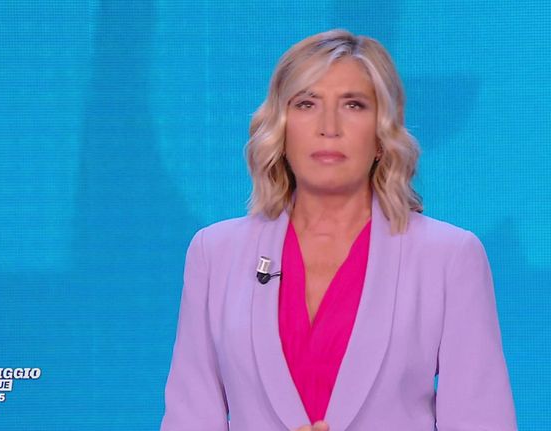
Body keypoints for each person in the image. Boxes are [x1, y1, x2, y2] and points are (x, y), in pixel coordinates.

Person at [160, 29, 517, 431]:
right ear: (281, 129)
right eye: (306, 103)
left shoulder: (449, 257)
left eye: (353, 104)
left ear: (382, 134)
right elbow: (190, 419)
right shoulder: (215, 253)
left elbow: (481, 421)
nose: (329, 126)